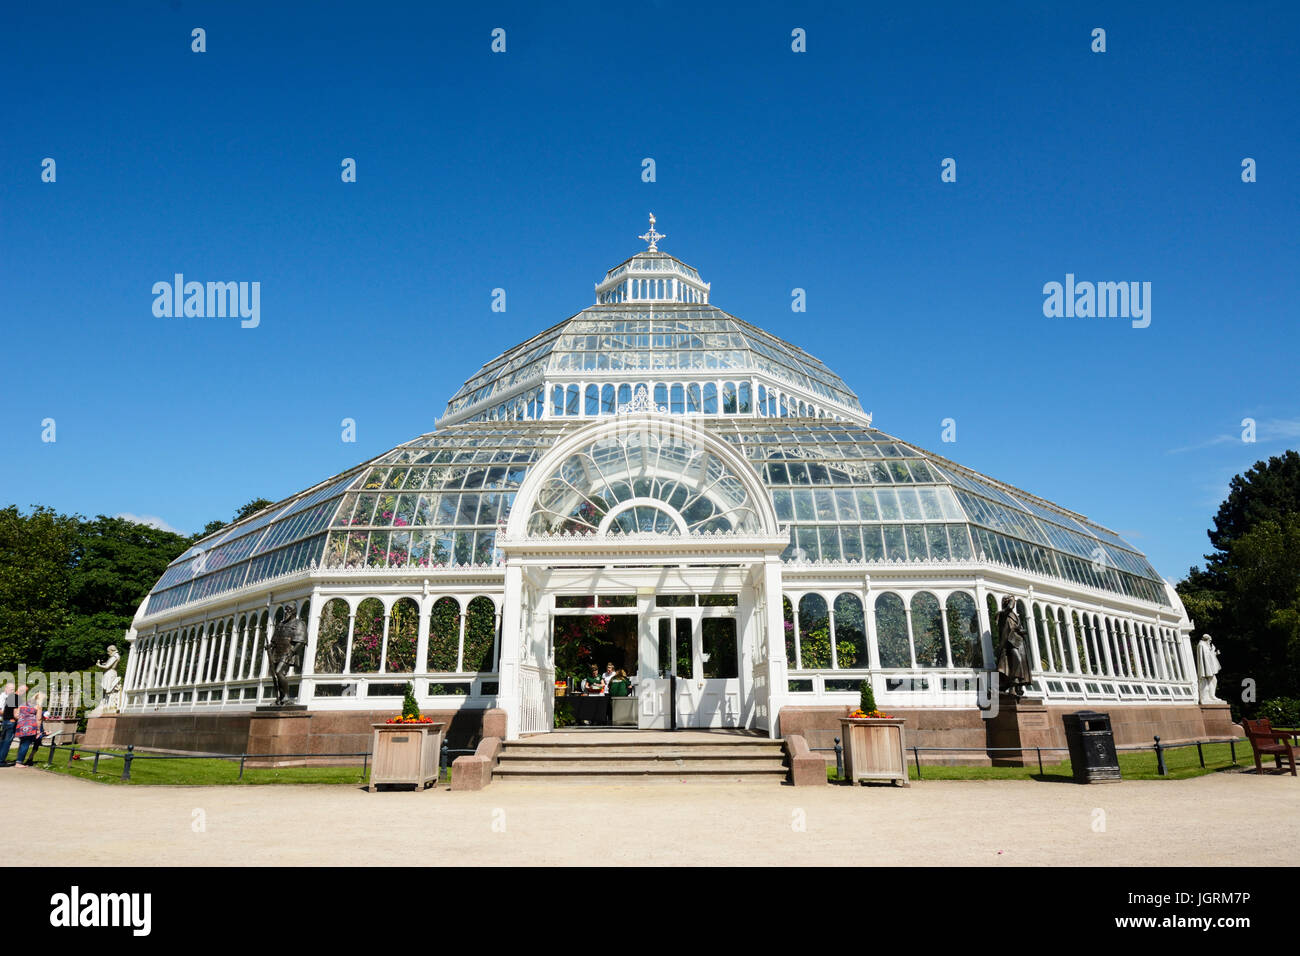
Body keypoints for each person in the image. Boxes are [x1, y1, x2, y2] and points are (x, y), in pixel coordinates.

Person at [14, 691, 44, 768]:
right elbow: (39, 718)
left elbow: (16, 715)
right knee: (26, 744)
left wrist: (22, 719)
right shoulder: (38, 706)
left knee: (22, 743)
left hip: (20, 725)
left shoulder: (23, 703)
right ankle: (19, 762)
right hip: (30, 726)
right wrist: (38, 730)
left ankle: (18, 760)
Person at [1, 683, 23, 767]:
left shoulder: (10, 697)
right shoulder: (16, 698)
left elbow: (6, 711)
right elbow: (15, 713)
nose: (13, 691)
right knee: (7, 742)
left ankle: (1, 759)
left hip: (5, 721)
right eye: (11, 689)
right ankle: (1, 761)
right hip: (11, 722)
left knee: (3, 741)